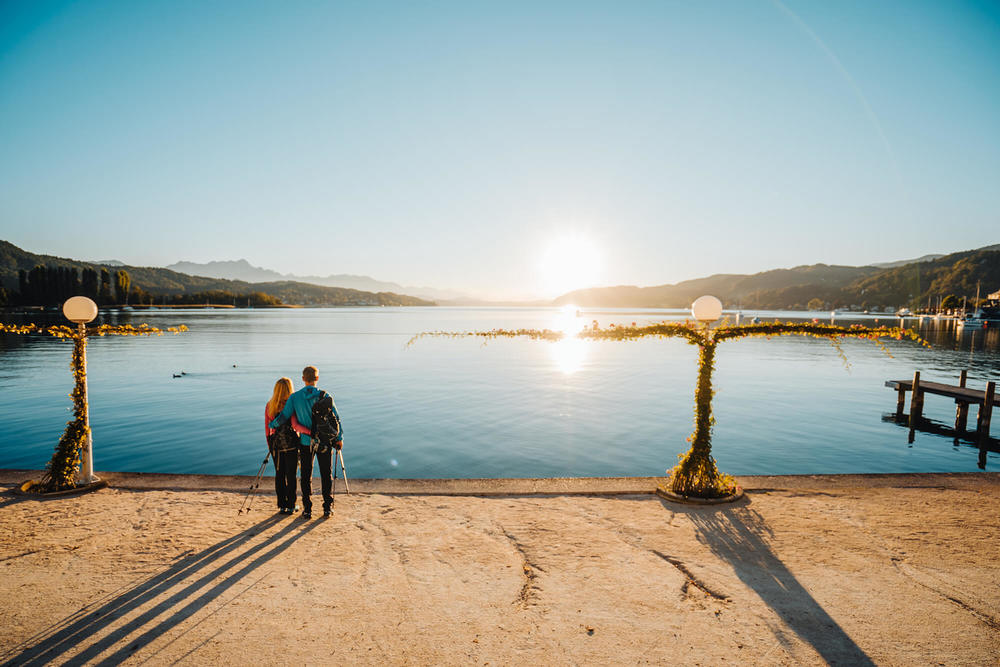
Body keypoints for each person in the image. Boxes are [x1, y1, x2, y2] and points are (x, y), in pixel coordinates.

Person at [269, 366, 344, 518]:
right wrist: (339, 438)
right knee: (325, 474)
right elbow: (336, 419)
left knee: (305, 475)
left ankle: (307, 508)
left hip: (305, 442)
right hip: (324, 442)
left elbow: (284, 416)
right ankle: (327, 507)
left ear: (303, 378)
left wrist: (272, 425)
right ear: (317, 378)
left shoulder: (295, 398)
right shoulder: (325, 395)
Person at [264, 378, 308, 514]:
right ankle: (291, 505)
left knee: (279, 474)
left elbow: (267, 429)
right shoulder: (291, 406)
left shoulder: (270, 405)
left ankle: (281, 504)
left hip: (275, 445)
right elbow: (295, 425)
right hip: (291, 445)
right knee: (291, 474)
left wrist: (270, 445)